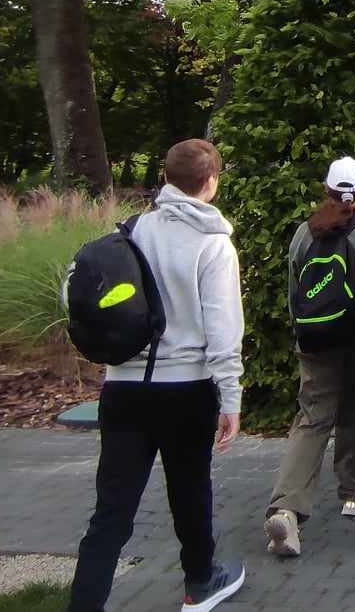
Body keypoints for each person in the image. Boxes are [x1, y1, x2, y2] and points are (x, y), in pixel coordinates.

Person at [69, 138, 246, 612]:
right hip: (187, 390)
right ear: (211, 183)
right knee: (190, 492)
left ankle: (84, 603)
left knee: (112, 509)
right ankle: (200, 582)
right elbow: (223, 331)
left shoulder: (131, 231)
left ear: (165, 178)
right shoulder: (214, 244)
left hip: (123, 387)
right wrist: (231, 398)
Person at [264, 157, 355, 558]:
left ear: (327, 189)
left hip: (315, 341)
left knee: (311, 420)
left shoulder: (305, 233)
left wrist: (302, 333)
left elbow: (294, 290)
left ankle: (287, 507)